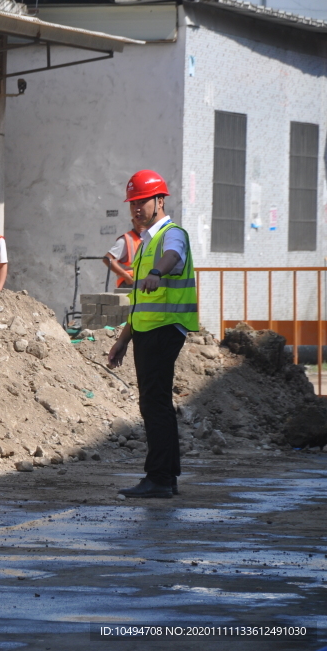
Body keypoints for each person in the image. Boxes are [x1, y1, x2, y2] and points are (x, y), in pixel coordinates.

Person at [107, 170, 198, 499]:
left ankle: (159, 478)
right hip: (147, 330)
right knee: (156, 402)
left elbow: (173, 258)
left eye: (141, 201)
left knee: (154, 404)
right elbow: (141, 301)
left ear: (160, 200)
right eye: (132, 203)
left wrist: (159, 270)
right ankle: (166, 477)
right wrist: (122, 339)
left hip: (163, 329)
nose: (135, 208)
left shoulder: (171, 236)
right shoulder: (144, 243)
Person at [102, 217, 144, 289]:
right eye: (137, 220)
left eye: (143, 221)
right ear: (133, 221)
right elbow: (107, 258)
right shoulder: (126, 239)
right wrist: (125, 276)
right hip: (129, 283)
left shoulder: (149, 238)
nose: (140, 224)